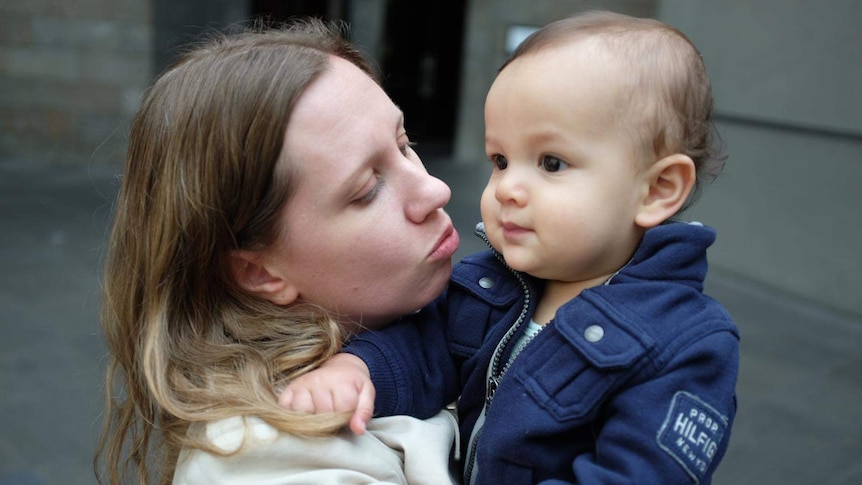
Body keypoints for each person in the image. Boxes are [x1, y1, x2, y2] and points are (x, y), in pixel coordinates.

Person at [280, 10, 740, 485]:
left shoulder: (686, 344)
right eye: (500, 160)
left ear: (658, 189)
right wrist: (358, 371)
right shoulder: (489, 287)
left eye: (551, 162)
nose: (507, 189)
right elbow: (423, 351)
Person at [94, 18, 463, 485]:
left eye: (404, 145)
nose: (436, 190)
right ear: (259, 272)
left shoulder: (455, 316)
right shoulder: (268, 457)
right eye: (368, 189)